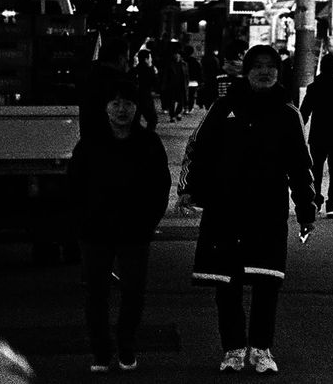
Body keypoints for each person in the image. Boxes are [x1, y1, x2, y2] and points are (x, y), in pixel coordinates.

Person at [181, 45, 314, 375]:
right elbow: (201, 151)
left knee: (266, 282)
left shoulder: (287, 114)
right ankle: (233, 348)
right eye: (258, 66)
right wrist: (190, 191)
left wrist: (307, 208)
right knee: (227, 283)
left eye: (271, 66)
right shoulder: (224, 107)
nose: (265, 72)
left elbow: (300, 165)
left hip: (267, 210)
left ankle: (261, 349)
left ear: (278, 72)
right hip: (224, 209)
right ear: (247, 70)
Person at [70, 83, 172, 372]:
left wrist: (148, 222)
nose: (121, 109)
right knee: (96, 292)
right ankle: (101, 352)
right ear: (105, 108)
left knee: (134, 291)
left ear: (137, 107)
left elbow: (161, 186)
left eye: (127, 103)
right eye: (114, 103)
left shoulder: (149, 143)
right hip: (94, 231)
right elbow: (74, 186)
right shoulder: (90, 143)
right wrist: (81, 222)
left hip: (135, 231)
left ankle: (127, 346)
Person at [299, 54, 333, 219]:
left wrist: (298, 132)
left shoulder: (314, 87)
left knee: (316, 170)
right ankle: (332, 205)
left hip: (318, 134)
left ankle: (316, 202)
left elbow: (304, 112)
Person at [80, 35, 157, 140]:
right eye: (127, 59)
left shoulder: (89, 79)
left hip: (91, 142)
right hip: (121, 146)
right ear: (121, 59)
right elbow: (148, 114)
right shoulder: (124, 83)